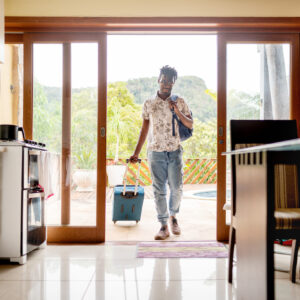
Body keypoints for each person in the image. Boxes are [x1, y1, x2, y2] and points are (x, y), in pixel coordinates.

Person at [129, 65, 193, 240]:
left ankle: (173, 216)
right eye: (163, 80)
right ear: (158, 80)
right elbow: (144, 129)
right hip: (155, 152)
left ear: (174, 83)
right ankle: (163, 225)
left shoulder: (180, 101)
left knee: (177, 188)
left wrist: (177, 111)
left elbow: (190, 124)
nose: (166, 84)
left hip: (174, 151)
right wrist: (136, 153)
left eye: (170, 81)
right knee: (159, 190)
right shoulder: (149, 103)